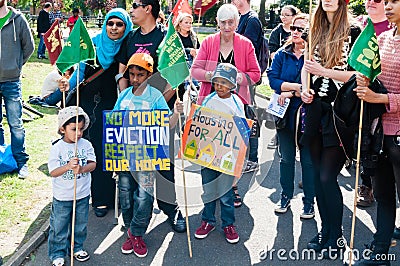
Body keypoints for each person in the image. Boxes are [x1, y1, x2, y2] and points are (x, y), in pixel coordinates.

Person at [115, 0, 187, 233]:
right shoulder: (130, 38)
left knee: (164, 166)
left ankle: (171, 209)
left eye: (135, 5)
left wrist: (155, 103)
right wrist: (128, 97)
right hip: (132, 118)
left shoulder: (167, 38)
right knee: (132, 166)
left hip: (160, 113)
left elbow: (173, 77)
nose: (131, 10)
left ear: (148, 8)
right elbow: (122, 72)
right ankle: (134, 215)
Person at [300, 0, 361, 258]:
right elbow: (306, 65)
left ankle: (336, 237)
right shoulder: (313, 30)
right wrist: (304, 88)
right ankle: (326, 231)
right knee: (316, 179)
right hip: (315, 109)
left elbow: (358, 75)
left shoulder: (354, 31)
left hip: (340, 114)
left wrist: (324, 71)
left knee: (327, 177)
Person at [191, 3, 261, 209]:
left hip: (236, 105)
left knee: (234, 149)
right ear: (217, 23)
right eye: (223, 22)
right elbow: (195, 71)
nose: (227, 26)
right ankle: (210, 191)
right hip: (210, 106)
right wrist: (212, 76)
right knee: (210, 148)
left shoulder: (246, 44)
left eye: (231, 22)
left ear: (237, 23)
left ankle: (232, 187)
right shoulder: (209, 42)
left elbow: (256, 75)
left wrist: (238, 78)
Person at [65, 8, 132, 217]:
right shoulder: (93, 44)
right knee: (92, 150)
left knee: (110, 152)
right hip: (89, 106)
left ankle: (114, 195)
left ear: (126, 27)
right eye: (110, 23)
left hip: (113, 105)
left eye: (119, 24)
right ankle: (99, 198)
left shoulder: (128, 48)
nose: (114, 28)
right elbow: (80, 72)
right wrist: (67, 86)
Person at [115, 53, 183, 258]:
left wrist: (177, 113)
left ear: (149, 74)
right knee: (125, 194)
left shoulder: (156, 97)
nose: (135, 79)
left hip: (147, 158)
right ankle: (129, 228)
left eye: (140, 75)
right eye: (132, 74)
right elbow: (114, 123)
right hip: (126, 156)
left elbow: (166, 125)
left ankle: (136, 233)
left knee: (144, 197)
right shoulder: (125, 95)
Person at [353, 0, 400, 264]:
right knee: (383, 196)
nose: (389, 5)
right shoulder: (381, 38)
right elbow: (375, 77)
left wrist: (379, 98)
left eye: (394, 1)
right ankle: (380, 252)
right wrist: (365, 81)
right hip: (379, 133)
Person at [267, 14, 315, 219]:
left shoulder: (314, 56)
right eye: (293, 28)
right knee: (286, 159)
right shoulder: (281, 54)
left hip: (308, 115)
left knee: (308, 161)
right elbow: (272, 79)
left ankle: (309, 203)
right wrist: (294, 88)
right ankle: (285, 196)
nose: (295, 32)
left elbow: (315, 87)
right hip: (285, 115)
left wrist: (290, 91)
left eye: (301, 29)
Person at [194, 63, 244, 244]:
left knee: (225, 193)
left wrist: (239, 161)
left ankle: (228, 224)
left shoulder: (236, 103)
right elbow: (198, 122)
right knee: (208, 190)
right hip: (207, 155)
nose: (219, 86)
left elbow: (241, 132)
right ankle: (208, 221)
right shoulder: (208, 100)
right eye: (216, 82)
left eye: (224, 82)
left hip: (227, 156)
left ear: (232, 85)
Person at [47, 106, 96, 266]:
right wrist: (68, 166)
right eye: (74, 129)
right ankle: (57, 253)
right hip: (62, 196)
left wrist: (81, 169)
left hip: (82, 194)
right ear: (62, 128)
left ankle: (76, 247)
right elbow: (53, 172)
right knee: (59, 226)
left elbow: (93, 164)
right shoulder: (57, 148)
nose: (79, 133)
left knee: (80, 225)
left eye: (81, 129)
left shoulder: (86, 144)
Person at [356, 0, 392, 208]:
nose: (371, 2)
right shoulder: (361, 27)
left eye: (377, 0)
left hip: (390, 99)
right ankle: (366, 186)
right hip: (366, 97)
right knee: (366, 142)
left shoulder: (393, 29)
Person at [0, 0, 35, 179]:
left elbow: (29, 47)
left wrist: (15, 66)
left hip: (12, 81)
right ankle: (2, 161)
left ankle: (21, 162)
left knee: (16, 123)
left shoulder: (18, 19)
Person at [233, 0, 264, 173]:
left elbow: (245, 50)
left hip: (246, 80)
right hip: (236, 80)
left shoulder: (251, 20)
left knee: (249, 118)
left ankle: (252, 159)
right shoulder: (241, 18)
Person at [267, 5, 300, 150]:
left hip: (298, 91)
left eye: (287, 15)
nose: (283, 17)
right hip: (283, 73)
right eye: (282, 14)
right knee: (280, 115)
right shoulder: (277, 32)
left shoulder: (309, 51)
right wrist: (280, 58)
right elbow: (272, 51)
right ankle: (279, 135)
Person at [174, 12, 200, 103]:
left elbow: (199, 49)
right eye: (186, 22)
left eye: (190, 23)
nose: (189, 25)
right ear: (180, 23)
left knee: (195, 88)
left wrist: (197, 52)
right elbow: (175, 51)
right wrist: (189, 50)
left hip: (193, 66)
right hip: (180, 66)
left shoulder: (193, 36)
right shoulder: (175, 36)